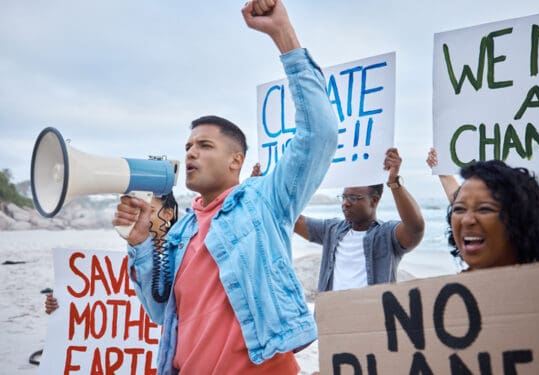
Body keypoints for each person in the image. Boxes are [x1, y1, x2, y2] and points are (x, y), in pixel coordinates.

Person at [113, 1, 338, 373]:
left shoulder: (264, 200)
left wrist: (283, 35)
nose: (191, 154)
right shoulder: (181, 231)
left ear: (236, 160)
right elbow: (159, 310)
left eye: (204, 146)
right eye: (187, 147)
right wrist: (140, 244)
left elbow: (320, 133)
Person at [294, 147, 425, 292]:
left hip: (371, 314)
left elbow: (415, 228)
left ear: (374, 201)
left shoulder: (386, 235)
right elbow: (294, 220)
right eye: (344, 197)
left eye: (354, 198)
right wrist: (265, 184)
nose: (345, 203)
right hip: (332, 312)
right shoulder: (332, 230)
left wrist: (394, 182)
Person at [44, 192, 179, 314]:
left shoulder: (181, 256)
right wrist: (60, 304)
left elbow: (161, 312)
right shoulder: (132, 258)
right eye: (137, 211)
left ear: (167, 214)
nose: (140, 217)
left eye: (149, 211)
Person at [447, 160, 539, 270]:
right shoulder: (447, 287)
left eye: (484, 209)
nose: (466, 220)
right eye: (459, 209)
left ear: (521, 220)